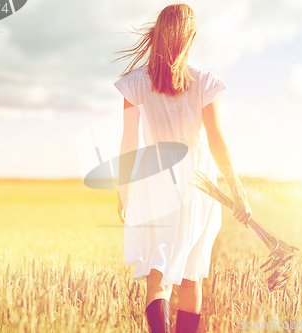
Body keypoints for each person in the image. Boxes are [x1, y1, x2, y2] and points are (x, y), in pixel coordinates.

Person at [112, 4, 252, 333]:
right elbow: (217, 141)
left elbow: (128, 143)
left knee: (156, 272)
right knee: (191, 275)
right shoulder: (205, 82)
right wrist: (238, 194)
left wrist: (123, 193)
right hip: (198, 183)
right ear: (190, 37)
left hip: (153, 180)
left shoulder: (134, 83)